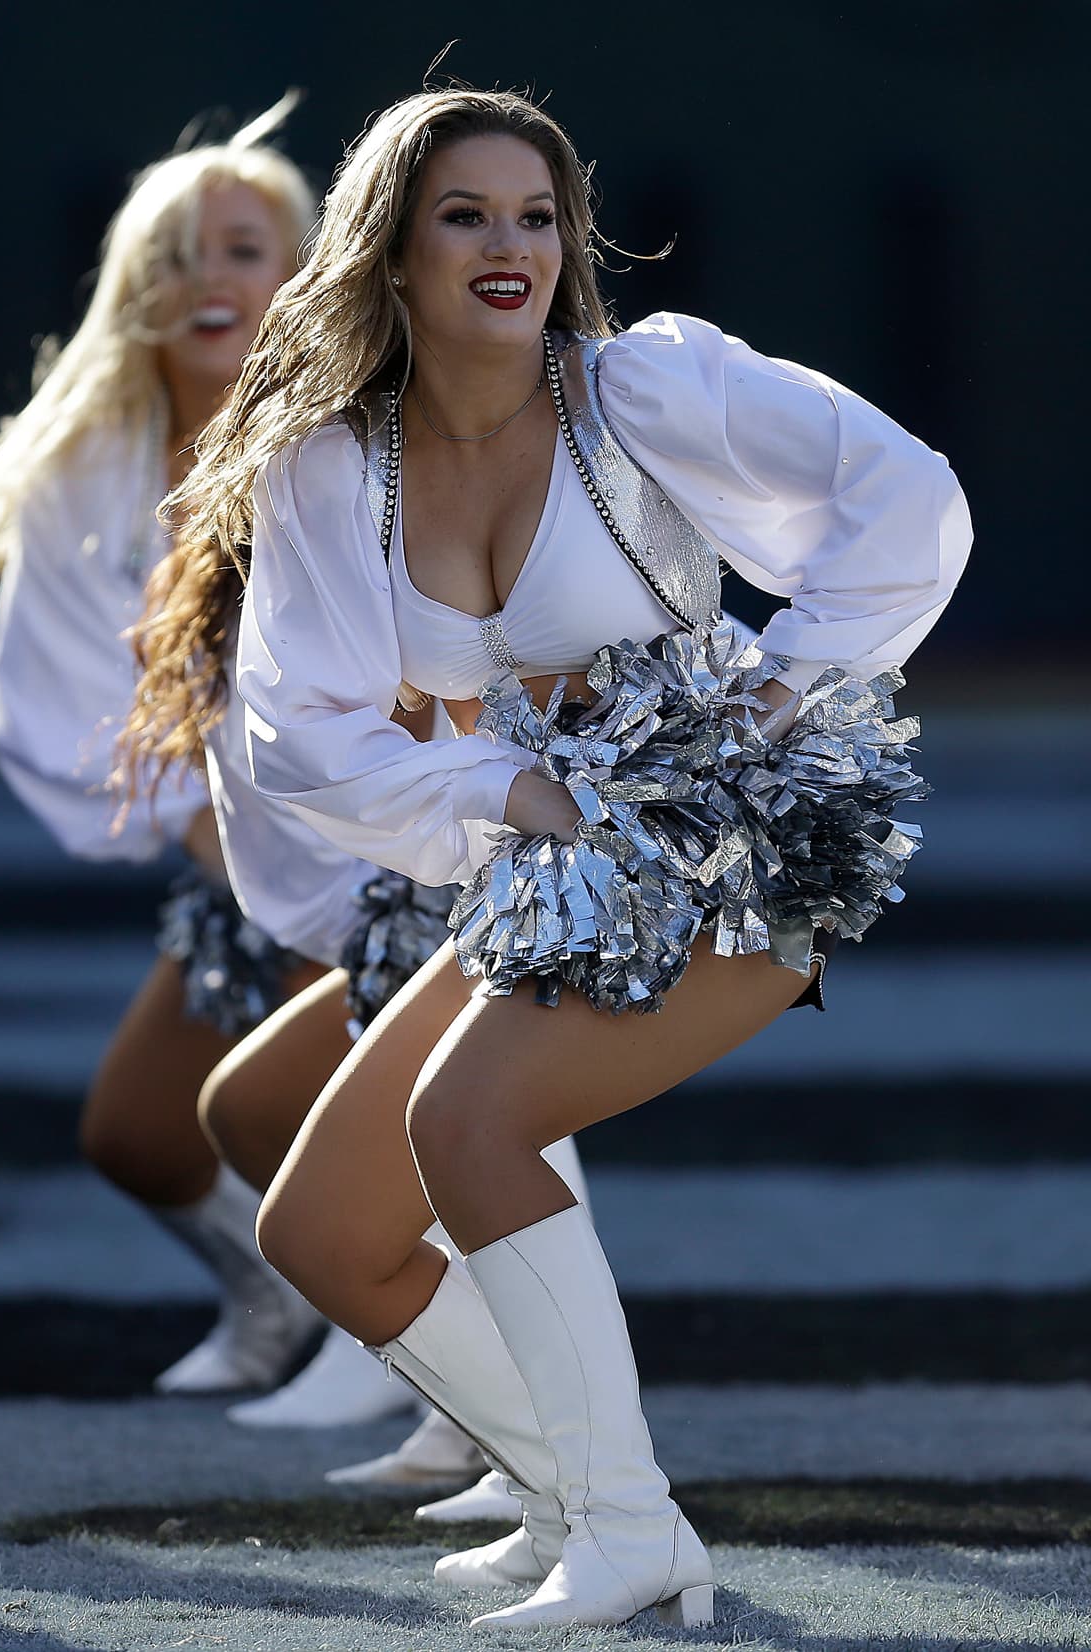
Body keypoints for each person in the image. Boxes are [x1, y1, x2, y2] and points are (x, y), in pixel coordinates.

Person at [127, 86, 971, 1629]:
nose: (508, 245)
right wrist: (514, 789)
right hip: (561, 858)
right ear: (392, 252)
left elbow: (909, 496)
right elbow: (305, 737)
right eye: (465, 216)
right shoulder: (335, 467)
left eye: (536, 215)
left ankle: (626, 1528)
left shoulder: (639, 388)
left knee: (468, 1124)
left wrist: (784, 690)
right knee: (323, 1230)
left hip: (732, 835)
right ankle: (579, 1500)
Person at [0, 96, 349, 1398]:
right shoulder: (85, 469)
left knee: (345, 1109)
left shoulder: (363, 433)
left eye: (243, 251)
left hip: (396, 840)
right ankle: (279, 1300)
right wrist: (203, 826)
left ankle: (408, 1351)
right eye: (174, 258)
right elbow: (62, 694)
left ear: (301, 274)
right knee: (141, 1135)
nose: (209, 281)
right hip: (235, 856)